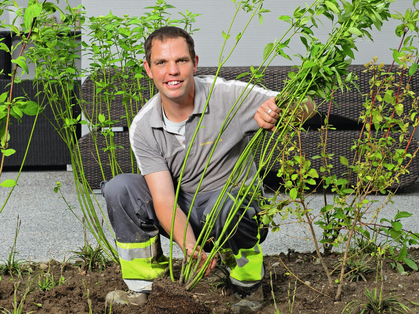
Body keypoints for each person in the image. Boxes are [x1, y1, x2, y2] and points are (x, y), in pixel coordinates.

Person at [102, 26, 314, 312]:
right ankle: (143, 286)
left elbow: (306, 105)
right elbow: (163, 198)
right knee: (121, 188)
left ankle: (248, 287)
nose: (172, 71)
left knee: (225, 204)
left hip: (233, 208)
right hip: (182, 210)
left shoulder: (228, 96)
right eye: (161, 63)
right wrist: (189, 247)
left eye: (181, 61)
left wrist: (283, 111)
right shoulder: (143, 126)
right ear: (148, 69)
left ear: (195, 63)